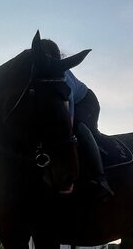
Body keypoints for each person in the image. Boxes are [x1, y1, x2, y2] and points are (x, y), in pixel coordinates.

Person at [39, 39, 113, 200]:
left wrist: (69, 128)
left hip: (85, 102)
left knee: (77, 129)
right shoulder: (39, 74)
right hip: (69, 102)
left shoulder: (62, 74)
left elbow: (69, 103)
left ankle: (100, 178)